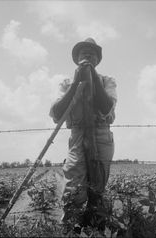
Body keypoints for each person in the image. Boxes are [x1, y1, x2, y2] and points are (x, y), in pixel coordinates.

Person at [49, 38, 117, 233]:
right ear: (76, 59)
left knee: (98, 187)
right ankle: (71, 229)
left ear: (97, 59)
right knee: (74, 188)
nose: (87, 55)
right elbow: (56, 113)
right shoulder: (66, 83)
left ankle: (96, 227)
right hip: (77, 135)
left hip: (102, 134)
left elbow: (106, 107)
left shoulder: (107, 81)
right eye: (83, 52)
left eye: (92, 53)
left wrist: (92, 76)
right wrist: (76, 83)